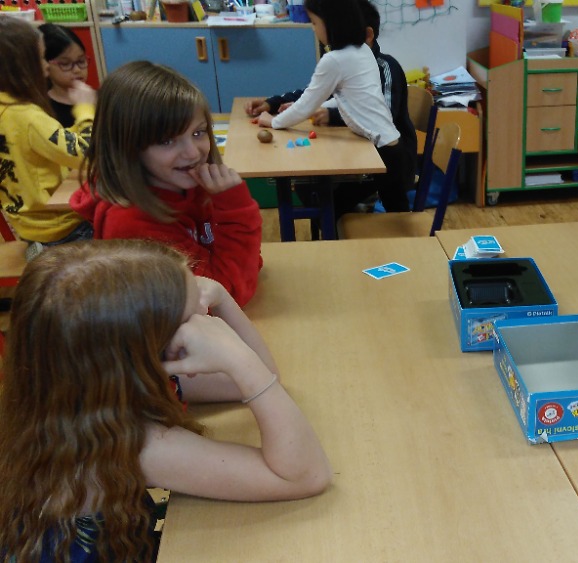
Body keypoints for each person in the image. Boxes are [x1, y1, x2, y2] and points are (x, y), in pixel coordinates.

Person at [0, 239, 332, 561]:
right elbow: (303, 475)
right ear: (145, 349)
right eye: (191, 318)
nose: (205, 318)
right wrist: (240, 361)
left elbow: (266, 374)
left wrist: (222, 300)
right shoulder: (135, 445)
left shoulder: (77, 391)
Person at [71, 60, 263, 307]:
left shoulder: (189, 183)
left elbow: (248, 266)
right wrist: (237, 212)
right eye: (166, 141)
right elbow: (221, 298)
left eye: (198, 133)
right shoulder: (131, 224)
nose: (193, 153)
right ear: (126, 147)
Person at [253, 0, 415, 215]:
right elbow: (348, 98)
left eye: (314, 23)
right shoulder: (362, 51)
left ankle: (347, 230)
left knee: (333, 209)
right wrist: (306, 106)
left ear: (332, 23)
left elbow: (307, 104)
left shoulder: (334, 60)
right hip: (393, 148)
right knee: (395, 213)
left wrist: (273, 121)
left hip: (381, 153)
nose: (313, 29)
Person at [0, 17, 96, 260]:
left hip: (27, 224)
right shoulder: (27, 116)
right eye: (41, 58)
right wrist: (86, 110)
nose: (45, 65)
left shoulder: (8, 110)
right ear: (23, 65)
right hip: (61, 228)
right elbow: (88, 153)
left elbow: (52, 142)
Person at [40, 23, 91, 129]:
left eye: (81, 61)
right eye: (65, 64)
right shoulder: (44, 110)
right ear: (46, 65)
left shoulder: (96, 99)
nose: (77, 70)